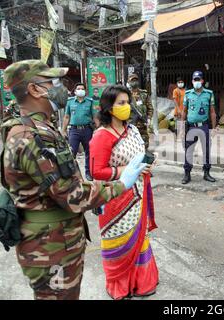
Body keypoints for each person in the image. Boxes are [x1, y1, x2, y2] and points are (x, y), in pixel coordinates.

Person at [1, 60, 146, 300]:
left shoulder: (42, 128)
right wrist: (120, 184)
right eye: (53, 82)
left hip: (57, 241)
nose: (63, 89)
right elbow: (72, 194)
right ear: (35, 89)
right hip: (49, 248)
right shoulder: (31, 137)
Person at [89, 85, 159, 300]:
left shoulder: (133, 130)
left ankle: (141, 282)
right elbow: (96, 171)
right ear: (109, 108)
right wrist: (126, 171)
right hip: (115, 198)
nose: (126, 106)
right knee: (119, 240)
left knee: (139, 238)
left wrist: (146, 166)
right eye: (121, 103)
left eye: (127, 102)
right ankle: (119, 284)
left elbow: (139, 158)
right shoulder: (102, 136)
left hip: (138, 195)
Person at [181, 70, 217, 184]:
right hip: (191, 127)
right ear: (192, 81)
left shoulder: (209, 94)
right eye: (194, 80)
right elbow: (184, 111)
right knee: (189, 150)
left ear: (202, 81)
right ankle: (187, 174)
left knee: (206, 150)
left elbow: (212, 112)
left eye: (198, 79)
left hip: (204, 126)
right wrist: (182, 128)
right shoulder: (187, 94)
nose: (196, 82)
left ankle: (206, 173)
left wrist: (213, 128)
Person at [62, 83, 99, 181]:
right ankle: (72, 175)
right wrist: (63, 130)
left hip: (87, 130)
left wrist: (99, 129)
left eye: (82, 89)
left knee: (89, 152)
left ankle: (88, 173)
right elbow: (66, 117)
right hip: (74, 130)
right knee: (72, 152)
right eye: (78, 88)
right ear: (75, 91)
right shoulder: (70, 102)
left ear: (85, 91)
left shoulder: (90, 102)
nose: (80, 90)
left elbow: (94, 117)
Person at [128, 73, 153, 150]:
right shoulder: (126, 95)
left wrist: (148, 118)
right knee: (131, 146)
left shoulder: (144, 94)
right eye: (132, 80)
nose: (134, 82)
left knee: (144, 145)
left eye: (136, 80)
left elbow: (150, 108)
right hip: (130, 126)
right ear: (128, 82)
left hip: (142, 125)